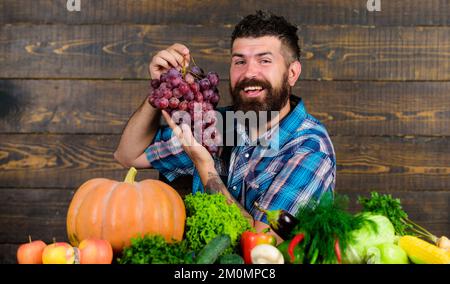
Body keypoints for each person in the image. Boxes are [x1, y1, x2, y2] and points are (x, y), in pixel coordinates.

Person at [114, 11, 336, 243]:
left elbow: (261, 245)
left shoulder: (310, 148)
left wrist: (205, 166)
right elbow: (128, 155)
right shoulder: (220, 124)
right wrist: (160, 88)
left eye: (264, 60)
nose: (249, 72)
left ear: (292, 73)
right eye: (240, 61)